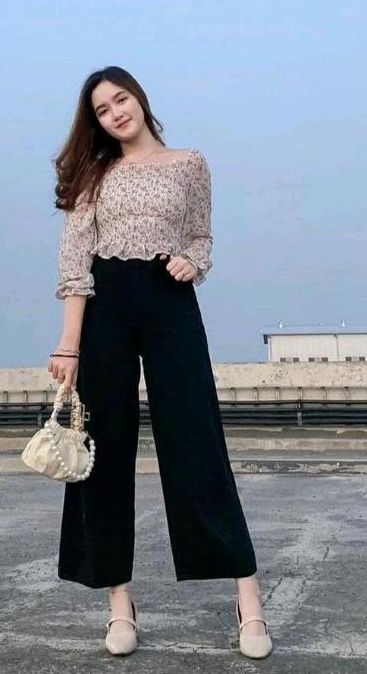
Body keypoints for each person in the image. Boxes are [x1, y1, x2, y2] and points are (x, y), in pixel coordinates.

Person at [47, 65, 272, 660]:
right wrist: (68, 345)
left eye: (121, 99)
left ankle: (248, 598)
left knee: (197, 441)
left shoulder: (189, 163)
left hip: (170, 302)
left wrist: (193, 262)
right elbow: (75, 261)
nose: (115, 113)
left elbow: (201, 236)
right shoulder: (94, 174)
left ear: (140, 99)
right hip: (106, 309)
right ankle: (119, 604)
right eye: (102, 110)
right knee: (105, 451)